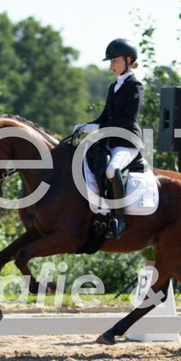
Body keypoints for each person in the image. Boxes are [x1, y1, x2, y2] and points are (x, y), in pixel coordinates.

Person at [74, 38, 144, 240]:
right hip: (111, 140)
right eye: (111, 61)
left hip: (128, 141)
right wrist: (86, 126)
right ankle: (101, 211)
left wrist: (99, 128)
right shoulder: (113, 87)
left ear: (128, 60)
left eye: (115, 61)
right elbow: (105, 117)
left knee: (113, 170)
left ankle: (119, 220)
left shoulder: (135, 86)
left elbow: (128, 119)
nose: (112, 65)